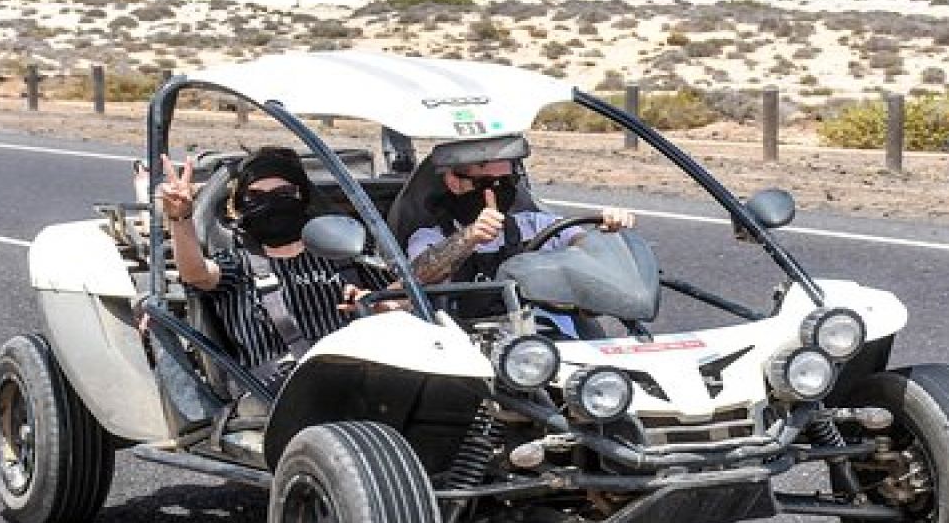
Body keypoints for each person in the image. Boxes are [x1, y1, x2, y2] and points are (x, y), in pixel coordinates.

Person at [155, 146, 381, 390]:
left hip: (361, 382)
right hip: (273, 399)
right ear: (241, 204)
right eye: (256, 197)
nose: (272, 204)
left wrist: (380, 304)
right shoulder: (237, 263)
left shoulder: (344, 250)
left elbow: (402, 290)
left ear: (301, 196)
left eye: (283, 193)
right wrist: (181, 218)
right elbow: (195, 273)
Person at [406, 155, 635, 321]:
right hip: (470, 347)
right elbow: (416, 277)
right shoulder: (429, 237)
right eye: (487, 183)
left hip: (543, 338)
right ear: (454, 182)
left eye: (506, 182)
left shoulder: (535, 224)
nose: (499, 191)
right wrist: (469, 238)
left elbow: (584, 244)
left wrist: (606, 232)